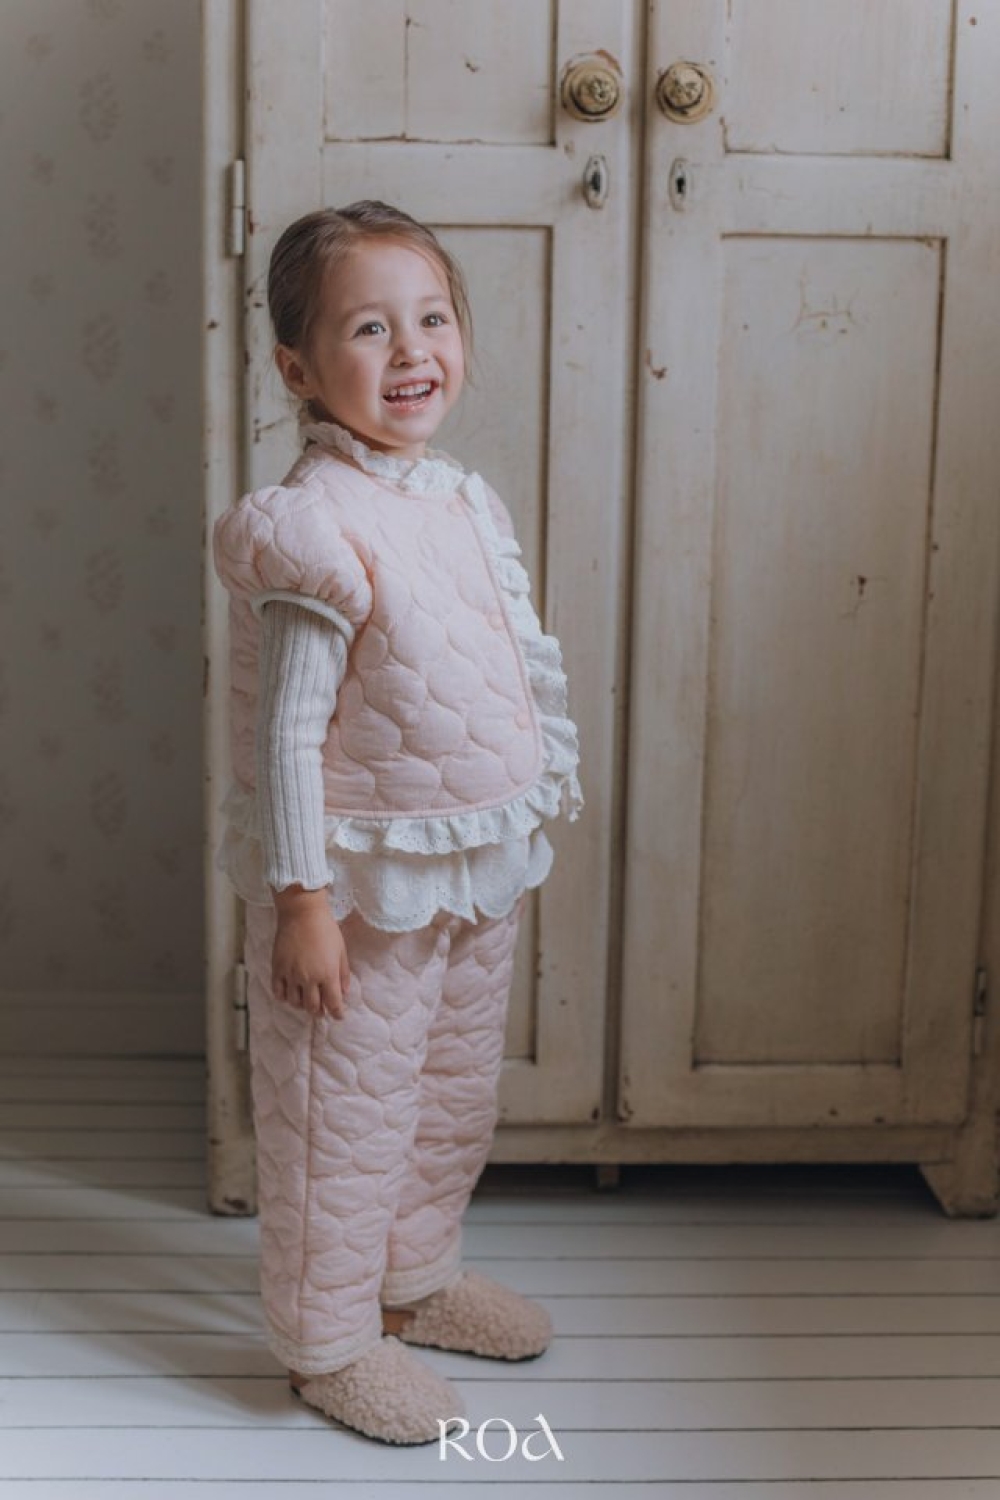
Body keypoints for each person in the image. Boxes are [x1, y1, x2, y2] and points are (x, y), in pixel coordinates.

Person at [212, 200, 584, 1446]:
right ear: (298, 369)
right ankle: (325, 1340)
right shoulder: (314, 527)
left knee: (444, 1093)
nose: (413, 349)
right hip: (357, 887)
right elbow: (287, 735)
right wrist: (301, 903)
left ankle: (413, 1279)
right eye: (370, 328)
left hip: (468, 862)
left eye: (432, 318)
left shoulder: (455, 499)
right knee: (342, 1114)